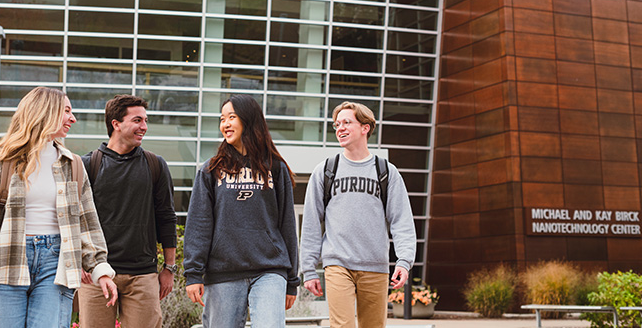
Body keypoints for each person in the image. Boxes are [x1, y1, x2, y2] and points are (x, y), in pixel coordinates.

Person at [0, 87, 118, 328]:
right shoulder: (2, 164)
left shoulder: (73, 165)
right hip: (8, 260)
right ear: (45, 112)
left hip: (57, 263)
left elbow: (87, 222)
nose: (73, 118)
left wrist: (100, 268)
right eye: (66, 111)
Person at [183, 94, 300, 328]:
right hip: (224, 270)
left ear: (248, 120)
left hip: (269, 269)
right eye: (222, 118)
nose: (225, 124)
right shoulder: (210, 170)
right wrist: (193, 273)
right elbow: (199, 224)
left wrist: (292, 281)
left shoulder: (275, 167)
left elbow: (287, 223)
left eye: (232, 117)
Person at [300, 101, 417, 328]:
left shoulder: (386, 172)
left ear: (365, 128)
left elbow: (401, 221)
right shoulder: (325, 170)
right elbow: (312, 223)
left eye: (346, 122)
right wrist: (309, 269)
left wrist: (404, 261)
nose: (340, 128)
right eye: (336, 125)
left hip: (375, 265)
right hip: (337, 264)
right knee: (342, 325)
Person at [77, 95, 177, 328]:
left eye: (145, 120)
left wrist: (169, 268)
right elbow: (74, 220)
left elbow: (166, 217)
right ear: (116, 124)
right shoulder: (87, 165)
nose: (144, 127)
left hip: (142, 275)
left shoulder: (155, 165)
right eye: (137, 120)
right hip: (96, 274)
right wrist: (80, 260)